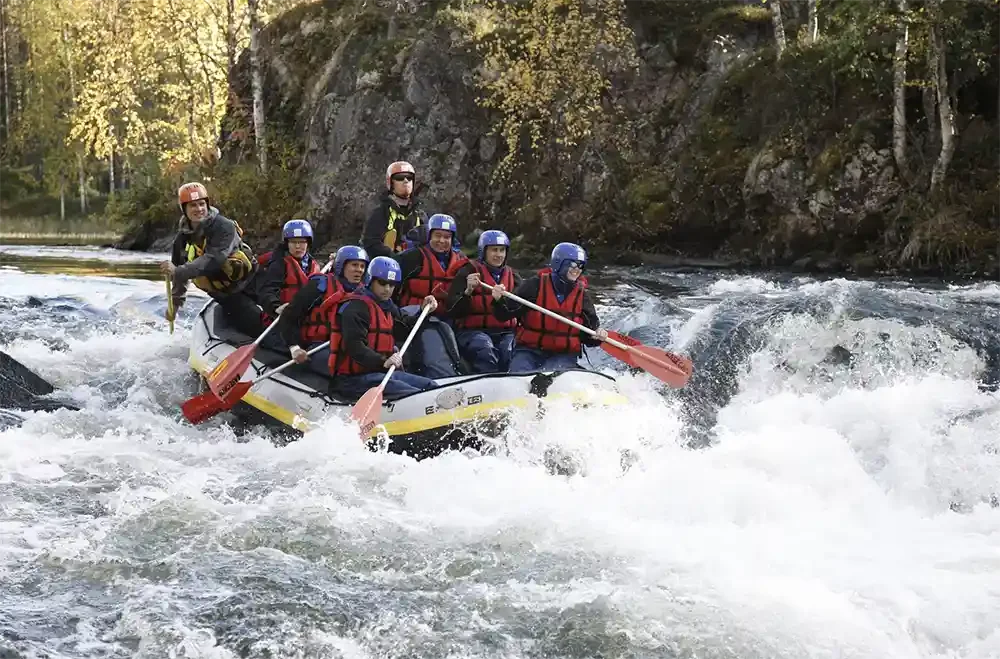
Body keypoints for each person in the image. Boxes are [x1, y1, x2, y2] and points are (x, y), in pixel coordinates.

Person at [327, 256, 439, 400]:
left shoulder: (387, 305)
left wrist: (424, 311)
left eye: (392, 285)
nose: (387, 289)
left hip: (382, 373)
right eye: (382, 283)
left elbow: (406, 328)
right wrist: (383, 361)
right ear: (370, 280)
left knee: (431, 386)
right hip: (351, 380)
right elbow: (354, 347)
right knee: (414, 395)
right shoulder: (356, 307)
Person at [160, 182, 261, 337]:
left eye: (201, 204)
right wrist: (174, 305)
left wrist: (178, 270)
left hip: (252, 283)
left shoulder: (224, 226)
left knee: (266, 321)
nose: (199, 209)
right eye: (193, 205)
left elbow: (215, 259)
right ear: (184, 209)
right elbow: (179, 277)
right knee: (252, 325)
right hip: (227, 296)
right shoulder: (182, 239)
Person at [492, 242, 608, 372]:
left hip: (563, 355)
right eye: (573, 264)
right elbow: (503, 315)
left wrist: (597, 337)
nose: (577, 270)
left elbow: (589, 337)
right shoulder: (534, 286)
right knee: (518, 373)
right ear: (559, 263)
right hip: (529, 351)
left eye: (581, 266)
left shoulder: (582, 296)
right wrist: (498, 300)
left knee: (547, 376)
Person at [394, 213, 467, 379]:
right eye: (437, 236)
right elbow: (389, 287)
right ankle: (442, 378)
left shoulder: (461, 261)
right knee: (434, 332)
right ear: (429, 236)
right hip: (412, 314)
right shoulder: (411, 258)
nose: (442, 241)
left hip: (445, 317)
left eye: (447, 237)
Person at [282, 245, 369, 374]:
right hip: (317, 346)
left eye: (362, 266)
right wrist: (294, 347)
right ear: (341, 266)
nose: (359, 270)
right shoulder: (320, 285)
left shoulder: (364, 294)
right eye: (354, 265)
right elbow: (289, 315)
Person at [446, 229, 520, 373]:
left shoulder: (514, 276)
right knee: (485, 349)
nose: (498, 255)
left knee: (509, 350)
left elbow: (520, 309)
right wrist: (468, 291)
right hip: (472, 332)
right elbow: (452, 310)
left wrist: (502, 301)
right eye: (494, 250)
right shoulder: (468, 271)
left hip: (506, 332)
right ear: (483, 251)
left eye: (502, 250)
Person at [256, 219, 322, 331]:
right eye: (293, 242)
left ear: (308, 243)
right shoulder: (279, 263)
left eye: (301, 242)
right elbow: (267, 290)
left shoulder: (315, 265)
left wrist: (337, 265)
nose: (297, 246)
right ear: (287, 244)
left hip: (305, 321)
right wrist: (275, 307)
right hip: (278, 320)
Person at [360, 161, 427, 258]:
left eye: (409, 178)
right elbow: (370, 243)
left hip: (415, 266)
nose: (405, 181)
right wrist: (395, 257)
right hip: (387, 266)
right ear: (390, 182)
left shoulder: (420, 215)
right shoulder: (381, 213)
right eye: (399, 178)